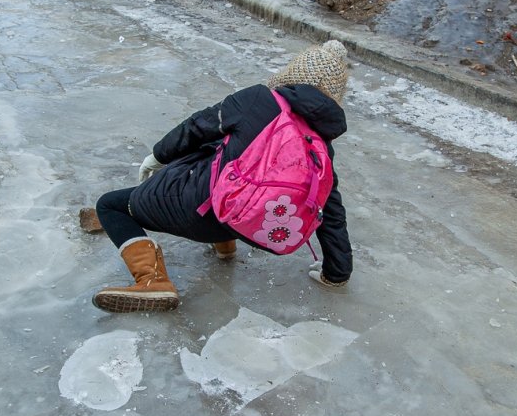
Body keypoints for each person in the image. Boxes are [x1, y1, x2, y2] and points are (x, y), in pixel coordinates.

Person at [91, 39, 354, 313]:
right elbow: (330, 211)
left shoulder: (259, 99)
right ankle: (225, 247)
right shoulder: (322, 146)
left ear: (292, 76)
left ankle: (152, 280)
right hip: (250, 227)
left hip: (197, 207)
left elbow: (197, 127)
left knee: (110, 205)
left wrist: (157, 156)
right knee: (230, 170)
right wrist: (337, 272)